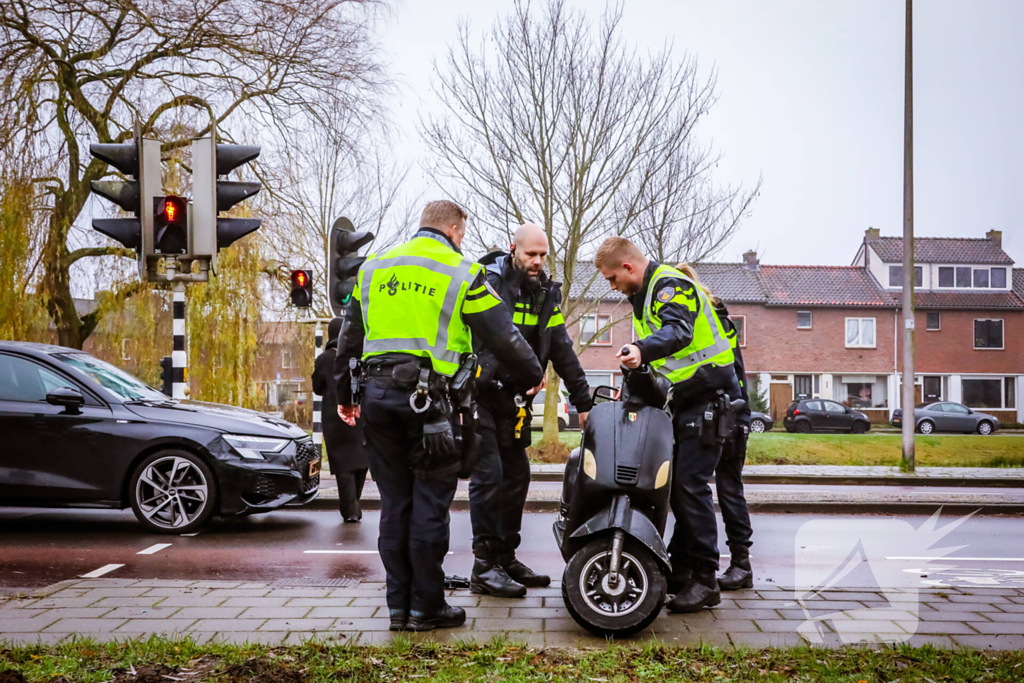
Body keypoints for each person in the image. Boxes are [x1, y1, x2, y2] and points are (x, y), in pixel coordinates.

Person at [335, 200, 544, 632]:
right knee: (430, 504)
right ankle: (426, 608)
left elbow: (349, 337)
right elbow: (502, 334)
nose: (461, 241)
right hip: (429, 404)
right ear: (452, 230)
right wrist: (533, 374)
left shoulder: (373, 269)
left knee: (395, 504)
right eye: (461, 235)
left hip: (377, 398)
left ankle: (398, 608)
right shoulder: (461, 271)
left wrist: (346, 396)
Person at [594, 237, 737, 613]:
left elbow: (679, 331)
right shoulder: (644, 299)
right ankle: (683, 569)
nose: (612, 286)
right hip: (688, 402)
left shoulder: (670, 286)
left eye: (612, 278)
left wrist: (642, 349)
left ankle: (705, 580)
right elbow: (662, 364)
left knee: (689, 486)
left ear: (628, 267)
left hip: (709, 398)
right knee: (677, 488)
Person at [468, 223, 593, 597]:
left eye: (542, 255)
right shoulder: (487, 283)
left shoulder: (544, 295)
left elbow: (562, 348)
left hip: (515, 401)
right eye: (531, 254)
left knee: (517, 477)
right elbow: (492, 339)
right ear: (513, 250)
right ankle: (483, 567)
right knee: (489, 478)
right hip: (481, 397)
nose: (538, 261)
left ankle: (505, 558)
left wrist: (584, 402)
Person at [676, 263, 753, 591]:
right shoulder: (710, 315)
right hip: (724, 410)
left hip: (727, 412)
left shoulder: (708, 318)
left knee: (725, 487)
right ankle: (687, 563)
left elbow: (725, 369)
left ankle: (740, 564)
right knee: (692, 488)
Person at [312, 317, 368, 523]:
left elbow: (317, 388)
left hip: (335, 419)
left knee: (343, 465)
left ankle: (350, 509)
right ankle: (354, 504)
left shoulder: (324, 359)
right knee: (361, 461)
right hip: (360, 415)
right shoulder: (359, 358)